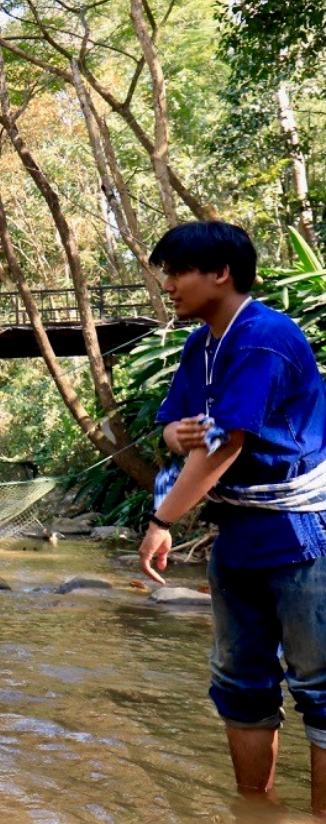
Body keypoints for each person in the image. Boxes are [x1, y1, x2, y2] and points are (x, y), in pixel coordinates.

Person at [138, 221, 326, 815]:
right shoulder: (202, 344)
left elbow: (225, 445)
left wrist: (162, 519)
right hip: (238, 532)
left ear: (220, 273)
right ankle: (256, 811)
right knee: (240, 683)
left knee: (320, 688)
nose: (167, 285)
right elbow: (177, 428)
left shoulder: (262, 339)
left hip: (303, 533)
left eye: (176, 272)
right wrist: (176, 431)